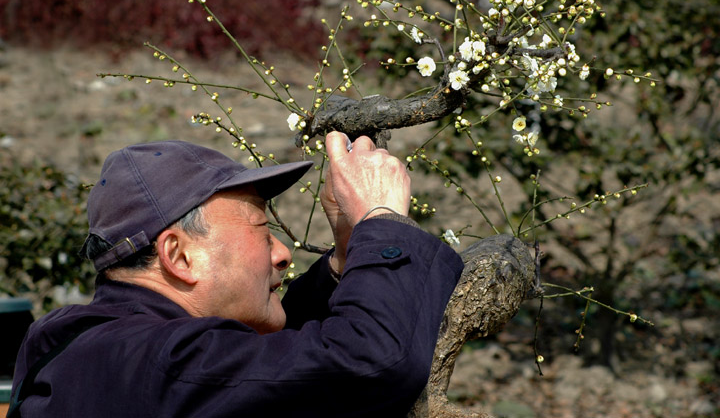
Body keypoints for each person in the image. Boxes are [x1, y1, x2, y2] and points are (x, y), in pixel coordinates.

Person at [9, 132, 463, 417]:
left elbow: (263, 362)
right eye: (263, 230)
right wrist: (382, 219)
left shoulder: (76, 343)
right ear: (179, 255)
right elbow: (368, 364)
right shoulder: (164, 362)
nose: (284, 253)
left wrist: (347, 257)